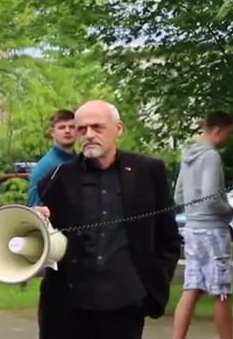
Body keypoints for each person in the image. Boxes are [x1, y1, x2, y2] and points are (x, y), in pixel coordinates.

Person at [33, 100, 181, 339]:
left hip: (126, 306)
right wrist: (38, 221)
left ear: (118, 129)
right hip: (68, 310)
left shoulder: (148, 172)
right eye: (82, 129)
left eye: (97, 127)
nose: (89, 135)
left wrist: (153, 286)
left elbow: (169, 237)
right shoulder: (57, 178)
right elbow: (44, 239)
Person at [172, 111, 233, 339]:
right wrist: (228, 210)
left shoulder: (188, 155)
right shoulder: (211, 156)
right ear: (218, 129)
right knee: (222, 291)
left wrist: (193, 208)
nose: (227, 138)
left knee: (192, 286)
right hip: (212, 230)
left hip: (192, 228)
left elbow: (179, 196)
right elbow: (210, 197)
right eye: (227, 133)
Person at [27, 109, 77, 207]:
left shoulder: (79, 161)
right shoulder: (45, 167)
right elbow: (34, 208)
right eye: (62, 127)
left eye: (72, 127)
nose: (67, 131)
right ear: (52, 132)